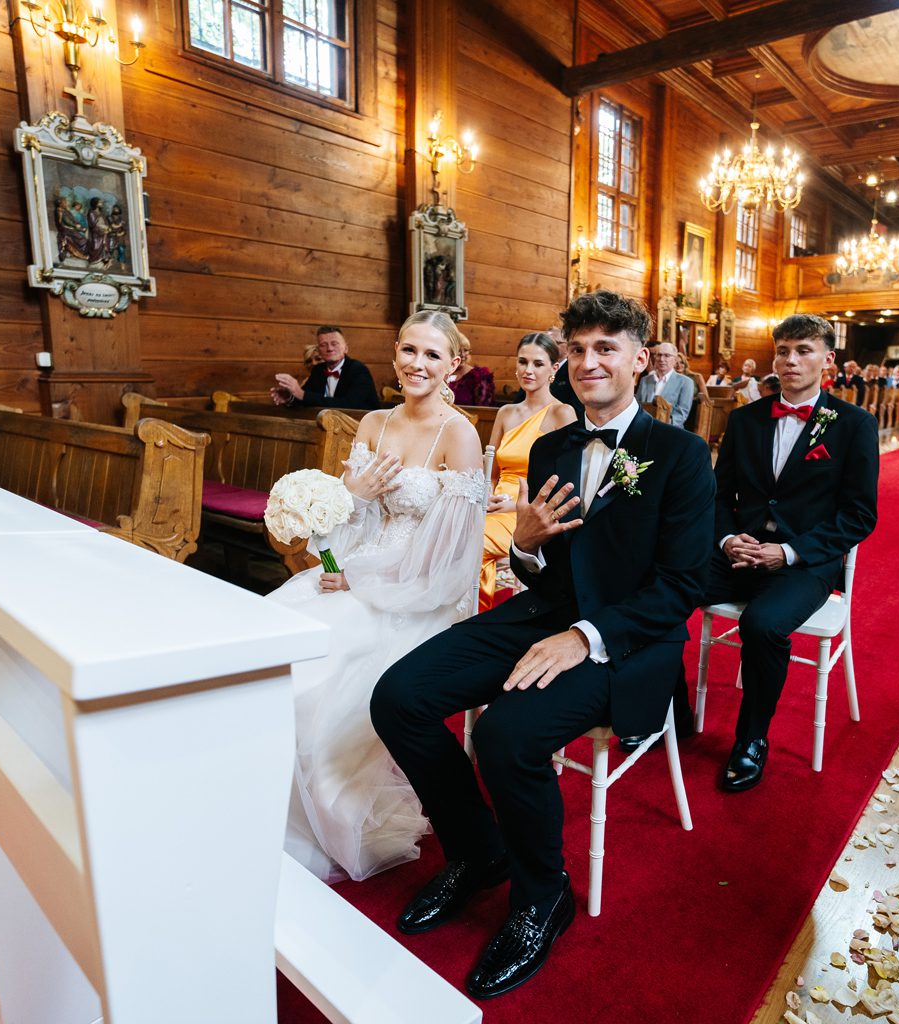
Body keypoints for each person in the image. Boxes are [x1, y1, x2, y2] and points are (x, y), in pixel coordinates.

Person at [370, 290, 713, 999]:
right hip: (543, 612)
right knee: (398, 696)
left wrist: (585, 638)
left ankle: (542, 897)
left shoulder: (680, 455)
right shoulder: (555, 445)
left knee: (507, 735)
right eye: (577, 350)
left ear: (639, 360)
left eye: (606, 348)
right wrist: (524, 547)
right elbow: (548, 566)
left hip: (628, 638)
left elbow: (683, 584)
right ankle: (478, 852)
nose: (589, 362)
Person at [264, 311, 485, 882]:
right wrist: (352, 502)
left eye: (432, 354)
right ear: (394, 354)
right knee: (273, 638)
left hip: (417, 596)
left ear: (454, 364)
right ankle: (262, 806)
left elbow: (450, 558)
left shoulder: (458, 434)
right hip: (354, 574)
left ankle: (323, 817)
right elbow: (336, 537)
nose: (418, 364)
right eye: (409, 350)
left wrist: (362, 582)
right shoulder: (373, 423)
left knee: (317, 674)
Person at [703, 314, 879, 792]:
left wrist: (789, 552)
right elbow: (717, 496)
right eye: (783, 351)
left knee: (761, 625)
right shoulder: (745, 419)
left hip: (804, 563)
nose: (790, 360)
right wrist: (727, 540)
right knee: (665, 583)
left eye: (803, 350)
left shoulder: (854, 425)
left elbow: (859, 516)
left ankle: (751, 739)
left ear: (828, 359)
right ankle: (665, 709)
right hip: (741, 552)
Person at [479, 333, 578, 610]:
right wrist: (486, 497)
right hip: (493, 505)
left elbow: (568, 481)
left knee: (472, 541)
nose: (528, 370)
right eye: (523, 362)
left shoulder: (562, 413)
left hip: (530, 511)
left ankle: (476, 614)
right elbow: (492, 472)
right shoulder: (506, 413)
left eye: (538, 363)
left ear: (553, 369)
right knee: (451, 532)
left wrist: (513, 505)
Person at [271, 326, 380, 409]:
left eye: (334, 343)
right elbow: (307, 399)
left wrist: (302, 394)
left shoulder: (359, 370)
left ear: (346, 348)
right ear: (319, 351)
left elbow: (350, 404)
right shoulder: (318, 370)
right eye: (323, 345)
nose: (329, 349)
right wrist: (289, 397)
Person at [637, 340, 696, 427]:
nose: (661, 359)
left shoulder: (685, 382)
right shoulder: (645, 380)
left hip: (669, 429)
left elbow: (681, 415)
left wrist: (659, 426)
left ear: (675, 360)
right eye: (659, 355)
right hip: (643, 426)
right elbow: (637, 406)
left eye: (667, 355)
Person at [447, 335, 496, 406]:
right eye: (458, 351)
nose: (463, 354)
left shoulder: (479, 376)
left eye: (466, 350)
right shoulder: (442, 372)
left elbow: (484, 409)